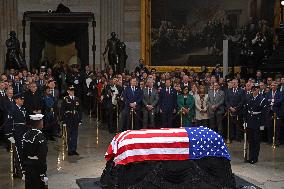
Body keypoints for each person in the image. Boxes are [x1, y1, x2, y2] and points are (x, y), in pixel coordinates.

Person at [5, 93, 28, 178]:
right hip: (16, 133)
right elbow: (8, 122)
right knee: (18, 153)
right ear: (16, 100)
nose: (22, 100)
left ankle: (20, 170)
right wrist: (9, 135)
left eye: (23, 99)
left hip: (22, 132)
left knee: (22, 152)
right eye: (21, 99)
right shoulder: (12, 109)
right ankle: (20, 172)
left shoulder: (22, 108)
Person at [22, 114, 48, 189]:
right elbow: (42, 157)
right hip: (37, 169)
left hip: (28, 168)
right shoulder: (40, 137)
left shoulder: (25, 135)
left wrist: (23, 170)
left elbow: (23, 154)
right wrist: (42, 174)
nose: (43, 123)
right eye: (42, 122)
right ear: (39, 124)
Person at [244, 84, 266, 164]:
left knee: (256, 141)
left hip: (257, 122)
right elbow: (246, 110)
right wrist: (245, 121)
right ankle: (250, 157)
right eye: (253, 89)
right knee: (251, 140)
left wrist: (262, 124)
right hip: (250, 121)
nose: (254, 90)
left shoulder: (262, 99)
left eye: (255, 89)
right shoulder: (248, 97)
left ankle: (255, 157)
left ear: (258, 90)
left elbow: (264, 113)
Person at [60, 86, 82, 156]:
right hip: (68, 118)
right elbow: (62, 110)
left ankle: (74, 149)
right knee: (68, 135)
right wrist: (63, 120)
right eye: (71, 90)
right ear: (68, 91)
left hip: (75, 119)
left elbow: (79, 110)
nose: (72, 92)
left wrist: (80, 120)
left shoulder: (77, 99)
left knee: (75, 135)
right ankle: (69, 150)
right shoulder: (65, 99)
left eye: (73, 90)